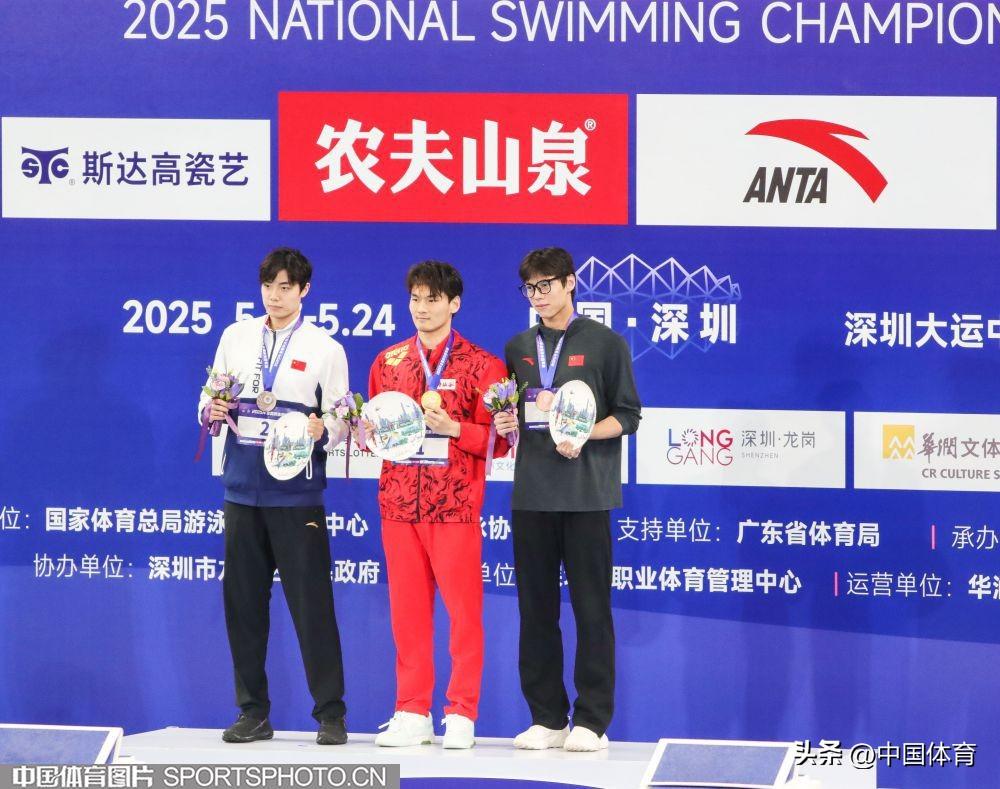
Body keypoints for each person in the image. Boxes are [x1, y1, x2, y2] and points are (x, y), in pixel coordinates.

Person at [198, 247, 350, 745]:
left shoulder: (325, 347)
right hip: (242, 490)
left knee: (312, 606)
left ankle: (331, 714)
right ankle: (253, 712)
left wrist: (325, 428)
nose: (275, 296)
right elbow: (208, 397)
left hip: (296, 494)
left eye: (286, 287)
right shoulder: (235, 336)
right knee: (243, 607)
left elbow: (343, 418)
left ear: (305, 291)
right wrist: (210, 410)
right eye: (268, 286)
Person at [494, 247, 641, 752]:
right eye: (530, 288)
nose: (538, 296)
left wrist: (584, 434)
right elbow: (514, 413)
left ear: (570, 282)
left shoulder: (605, 343)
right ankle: (547, 717)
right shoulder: (518, 347)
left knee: (591, 610)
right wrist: (506, 422)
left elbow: (629, 415)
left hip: (586, 494)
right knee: (536, 612)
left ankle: (592, 720)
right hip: (532, 494)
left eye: (547, 285)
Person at [368, 261, 509, 749]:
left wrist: (455, 429)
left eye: (432, 299)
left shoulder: (483, 365)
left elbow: (501, 441)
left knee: (464, 614)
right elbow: (376, 434)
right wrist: (365, 432)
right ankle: (411, 711)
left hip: (455, 505)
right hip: (399, 504)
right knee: (407, 614)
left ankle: (462, 712)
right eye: (415, 299)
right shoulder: (388, 362)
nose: (422, 308)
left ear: (454, 303)